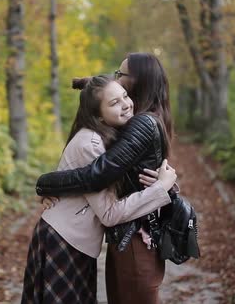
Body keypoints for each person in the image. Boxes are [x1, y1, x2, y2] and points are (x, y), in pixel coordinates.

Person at [21, 75, 178, 304]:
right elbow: (109, 213)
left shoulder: (108, 137)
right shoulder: (90, 144)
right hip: (64, 241)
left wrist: (166, 183)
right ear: (98, 116)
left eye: (125, 96)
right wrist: (160, 189)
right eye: (114, 103)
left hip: (76, 241)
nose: (126, 104)